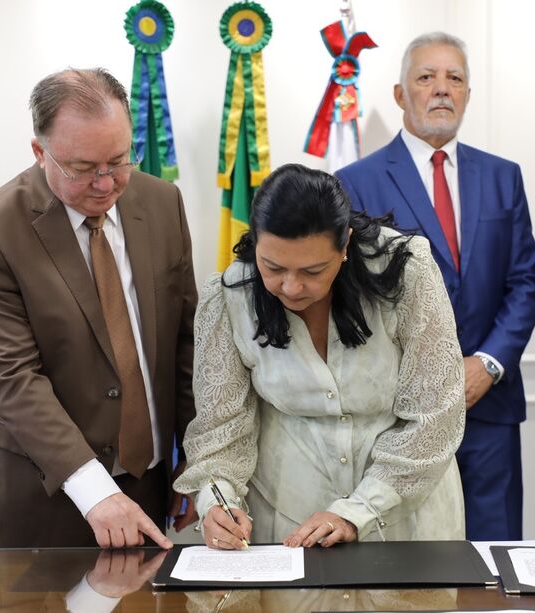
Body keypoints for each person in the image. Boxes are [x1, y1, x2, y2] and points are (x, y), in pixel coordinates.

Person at [0, 68, 197, 548]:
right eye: (83, 168)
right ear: (40, 152)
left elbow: (187, 340)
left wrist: (196, 452)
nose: (106, 184)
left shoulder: (161, 201)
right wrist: (93, 489)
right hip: (44, 497)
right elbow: (10, 377)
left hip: (148, 483)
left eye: (119, 161)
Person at [173, 163, 465, 549]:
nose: (291, 287)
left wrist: (359, 510)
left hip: (404, 518)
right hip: (288, 520)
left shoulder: (406, 271)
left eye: (313, 270)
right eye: (272, 267)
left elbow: (435, 416)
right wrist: (217, 501)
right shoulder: (231, 297)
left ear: (345, 244)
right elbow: (220, 432)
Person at [335, 32, 535, 541]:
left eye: (455, 78)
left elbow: (525, 281)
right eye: (426, 77)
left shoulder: (503, 177)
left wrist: (488, 364)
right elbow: (351, 293)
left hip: (488, 405)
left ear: (469, 94)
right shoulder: (355, 181)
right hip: (398, 412)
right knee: (409, 556)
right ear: (400, 93)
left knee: (495, 556)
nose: (441, 89)